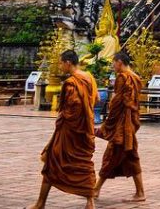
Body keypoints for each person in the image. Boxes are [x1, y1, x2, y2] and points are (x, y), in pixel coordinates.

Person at [28, 49, 98, 209]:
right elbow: (96, 99)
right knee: (84, 164)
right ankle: (90, 203)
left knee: (52, 162)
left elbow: (74, 107)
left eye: (61, 63)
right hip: (86, 130)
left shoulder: (71, 82)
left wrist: (63, 116)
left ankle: (40, 204)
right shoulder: (90, 78)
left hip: (69, 132)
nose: (60, 66)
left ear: (68, 62)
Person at [94, 50, 146, 202]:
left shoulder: (123, 77)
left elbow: (117, 103)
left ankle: (96, 190)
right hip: (130, 123)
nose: (112, 66)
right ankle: (140, 192)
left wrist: (106, 125)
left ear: (120, 62)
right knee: (131, 157)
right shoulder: (136, 78)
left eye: (113, 63)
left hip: (122, 125)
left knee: (111, 155)